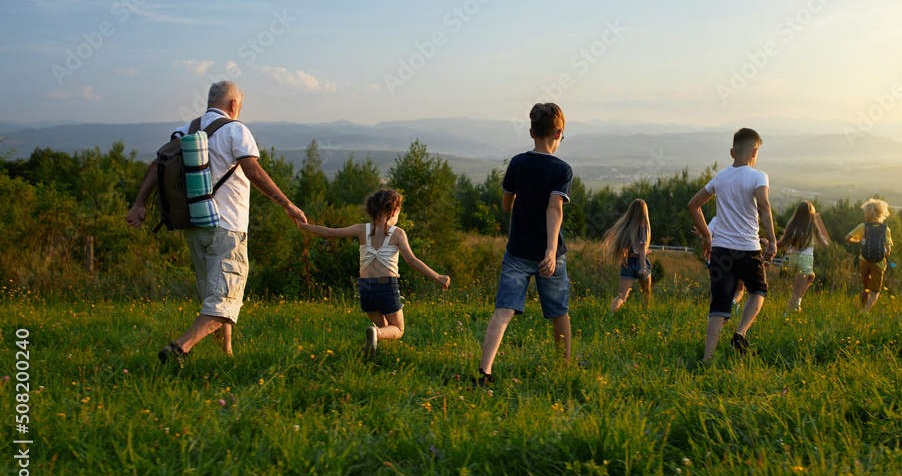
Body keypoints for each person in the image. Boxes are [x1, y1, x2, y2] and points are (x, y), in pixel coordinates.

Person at [127, 81, 306, 363]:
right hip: (228, 226)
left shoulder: (188, 129)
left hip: (193, 224)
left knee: (215, 294)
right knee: (226, 299)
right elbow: (253, 171)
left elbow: (155, 165)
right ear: (234, 105)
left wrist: (139, 205)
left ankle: (226, 354)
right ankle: (179, 348)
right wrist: (287, 204)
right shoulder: (237, 129)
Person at [476, 103, 573, 387]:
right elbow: (555, 209)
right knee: (558, 311)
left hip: (517, 250)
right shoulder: (562, 169)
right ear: (559, 133)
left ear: (531, 132)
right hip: (550, 254)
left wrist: (523, 199)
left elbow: (507, 204)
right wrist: (551, 251)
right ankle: (564, 367)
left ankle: (484, 372)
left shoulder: (517, 162)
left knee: (503, 310)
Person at [298, 188, 450, 357]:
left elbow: (329, 232)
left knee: (385, 327)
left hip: (365, 288)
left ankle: (375, 343)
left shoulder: (361, 229)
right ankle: (375, 334)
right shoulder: (398, 233)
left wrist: (303, 226)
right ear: (393, 211)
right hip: (386, 286)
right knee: (398, 329)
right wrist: (438, 277)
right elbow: (412, 261)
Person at [688, 128, 776, 362]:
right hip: (749, 249)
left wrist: (707, 236)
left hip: (720, 252)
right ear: (755, 151)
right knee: (758, 290)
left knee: (718, 306)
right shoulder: (759, 176)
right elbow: (764, 207)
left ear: (731, 152)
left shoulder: (720, 177)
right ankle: (741, 332)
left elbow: (693, 206)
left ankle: (707, 360)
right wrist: (772, 240)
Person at [776, 200, 830, 315]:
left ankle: (797, 304)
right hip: (805, 259)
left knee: (811, 277)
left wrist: (771, 243)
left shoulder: (792, 225)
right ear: (811, 213)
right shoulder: (813, 225)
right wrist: (824, 240)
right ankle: (787, 314)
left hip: (794, 258)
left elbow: (783, 243)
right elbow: (825, 245)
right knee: (796, 289)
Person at [602, 199, 652, 312]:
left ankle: (610, 315)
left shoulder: (626, 227)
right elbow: (642, 248)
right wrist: (643, 266)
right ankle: (644, 317)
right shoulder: (645, 227)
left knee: (621, 297)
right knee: (646, 293)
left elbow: (630, 247)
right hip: (641, 262)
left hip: (627, 262)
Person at [845, 198, 893, 313]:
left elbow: (847, 237)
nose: (864, 215)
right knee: (875, 290)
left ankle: (861, 307)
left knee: (866, 287)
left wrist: (857, 241)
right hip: (879, 263)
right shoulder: (886, 229)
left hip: (864, 260)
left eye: (865, 213)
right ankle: (866, 310)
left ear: (870, 214)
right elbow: (888, 251)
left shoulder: (863, 227)